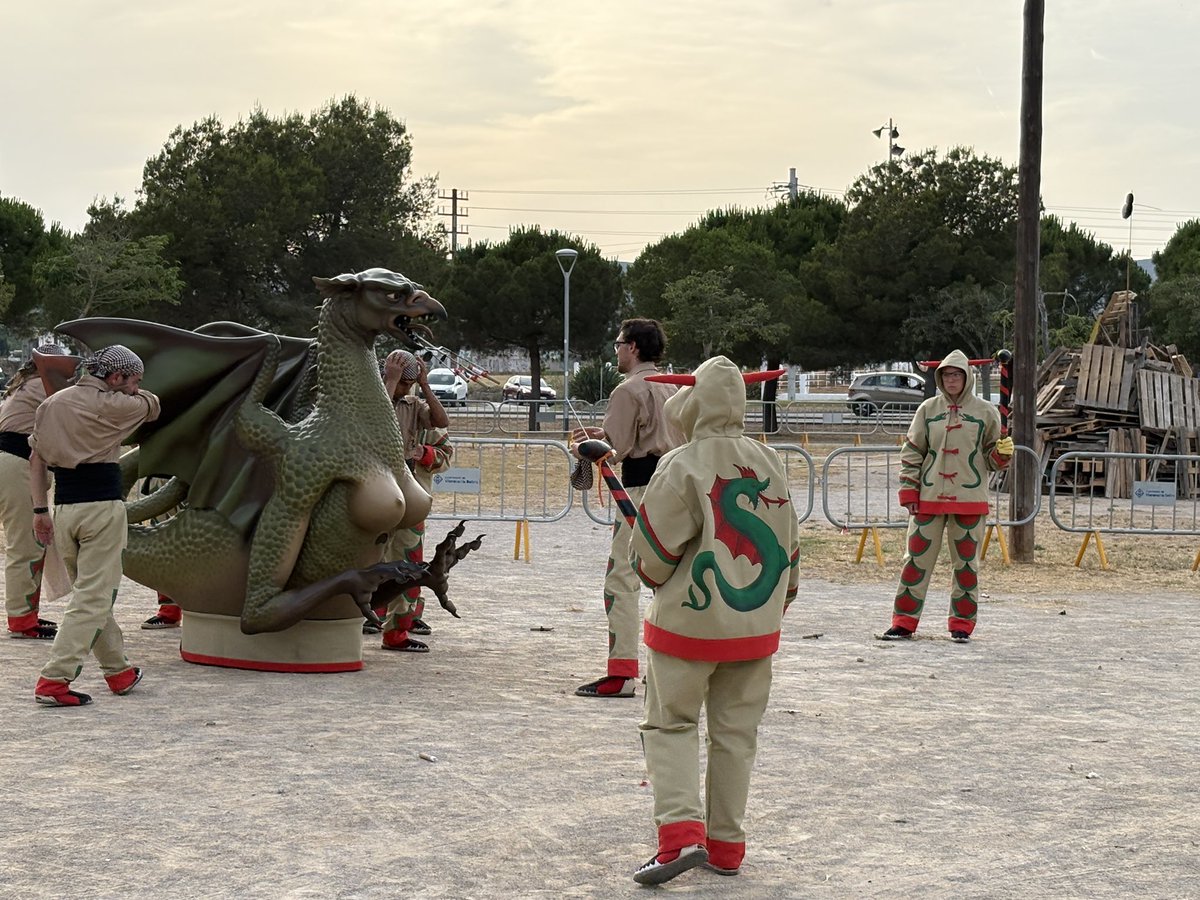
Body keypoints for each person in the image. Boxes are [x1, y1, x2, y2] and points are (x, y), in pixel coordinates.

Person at [627, 356, 800, 885]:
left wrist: (654, 577)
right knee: (736, 734)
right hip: (755, 628)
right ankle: (726, 846)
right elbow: (790, 546)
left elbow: (652, 554)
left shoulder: (680, 463)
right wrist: (777, 604)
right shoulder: (770, 461)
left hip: (687, 627)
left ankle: (680, 835)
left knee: (671, 724)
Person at [29, 345, 161, 707]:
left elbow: (36, 461)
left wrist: (39, 510)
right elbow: (153, 405)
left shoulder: (50, 405)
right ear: (115, 377)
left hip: (63, 509)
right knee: (94, 597)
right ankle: (54, 680)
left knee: (90, 594)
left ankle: (118, 671)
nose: (135, 388)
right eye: (133, 380)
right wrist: (136, 394)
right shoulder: (118, 405)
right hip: (102, 509)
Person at [571, 318, 683, 698]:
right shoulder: (674, 387)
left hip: (639, 490)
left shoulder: (627, 390)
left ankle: (621, 672)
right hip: (679, 489)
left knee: (622, 578)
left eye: (619, 343)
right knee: (672, 580)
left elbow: (614, 453)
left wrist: (586, 447)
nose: (616, 350)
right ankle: (670, 668)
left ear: (632, 346)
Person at [882, 350, 1013, 643]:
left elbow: (992, 458)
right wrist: (908, 490)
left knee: (966, 566)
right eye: (946, 375)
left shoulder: (986, 412)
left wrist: (1002, 456)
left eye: (957, 375)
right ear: (940, 378)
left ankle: (962, 625)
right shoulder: (927, 410)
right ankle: (903, 622)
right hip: (928, 497)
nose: (951, 380)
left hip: (970, 498)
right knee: (915, 560)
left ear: (966, 378)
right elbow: (912, 452)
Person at [376, 349, 449, 653]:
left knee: (409, 560)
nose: (405, 389)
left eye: (409, 384)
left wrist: (425, 385)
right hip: (374, 487)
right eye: (402, 384)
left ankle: (397, 631)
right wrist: (389, 383)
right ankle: (358, 619)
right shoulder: (373, 400)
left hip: (408, 488)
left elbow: (441, 423)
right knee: (366, 560)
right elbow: (373, 418)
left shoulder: (413, 404)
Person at [0, 344, 68, 639]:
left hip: (10, 462)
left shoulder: (24, 384)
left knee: (24, 543)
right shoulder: (44, 386)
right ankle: (22, 619)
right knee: (27, 544)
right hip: (17, 465)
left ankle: (25, 615)